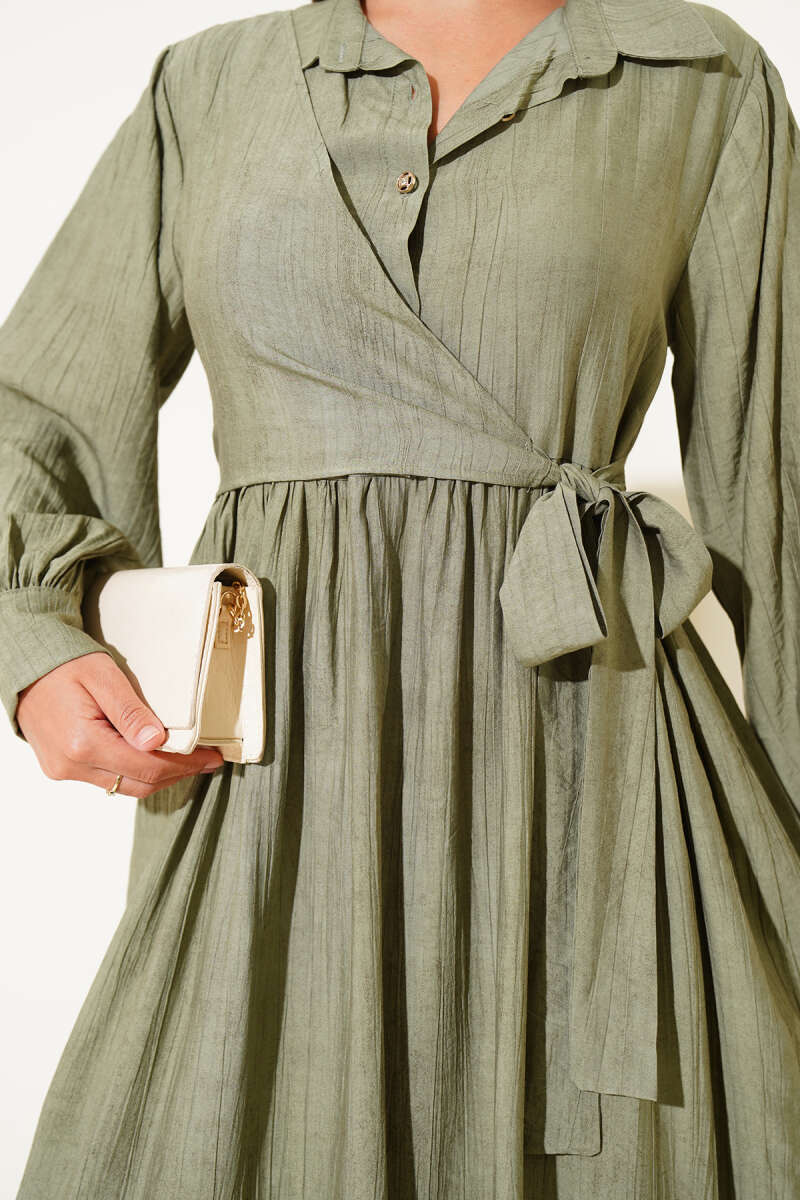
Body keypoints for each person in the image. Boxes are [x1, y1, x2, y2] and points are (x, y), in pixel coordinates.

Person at [2, 0, 799, 1194]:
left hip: (592, 759)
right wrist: (34, 643)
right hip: (271, 785)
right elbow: (35, 415)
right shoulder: (206, 87)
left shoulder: (698, 76)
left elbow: (781, 487)